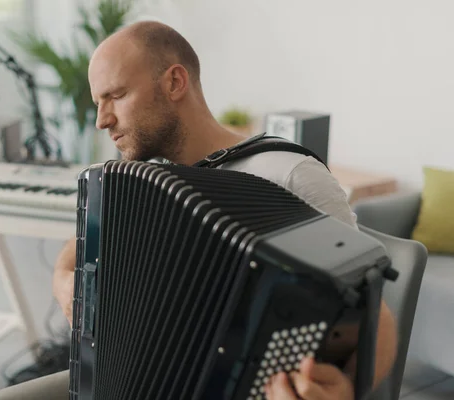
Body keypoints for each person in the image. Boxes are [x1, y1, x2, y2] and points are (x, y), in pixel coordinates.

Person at [52, 20, 397, 400]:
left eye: (116, 95)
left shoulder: (289, 174)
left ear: (174, 82)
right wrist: (65, 284)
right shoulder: (141, 185)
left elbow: (375, 316)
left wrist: (346, 389)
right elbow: (75, 253)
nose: (102, 119)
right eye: (98, 102)